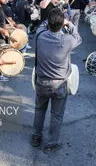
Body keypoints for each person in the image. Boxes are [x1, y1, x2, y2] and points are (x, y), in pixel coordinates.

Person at [31, 8, 82, 152]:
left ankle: (36, 137)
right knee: (56, 115)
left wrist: (52, 20)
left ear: (49, 23)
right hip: (59, 83)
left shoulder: (40, 35)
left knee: (39, 110)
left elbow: (42, 25)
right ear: (61, 24)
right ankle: (52, 143)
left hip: (41, 81)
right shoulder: (67, 40)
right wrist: (69, 23)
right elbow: (78, 36)